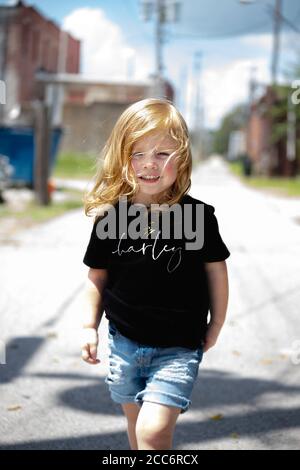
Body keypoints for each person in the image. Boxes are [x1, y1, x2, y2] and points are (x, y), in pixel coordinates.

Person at [81, 98, 230, 451]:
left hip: (178, 346)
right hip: (124, 344)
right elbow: (96, 277)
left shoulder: (198, 217)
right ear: (122, 158)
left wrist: (217, 323)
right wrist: (89, 325)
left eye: (163, 154)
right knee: (136, 426)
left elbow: (216, 272)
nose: (150, 164)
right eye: (138, 154)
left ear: (182, 158)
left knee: (152, 433)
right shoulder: (111, 218)